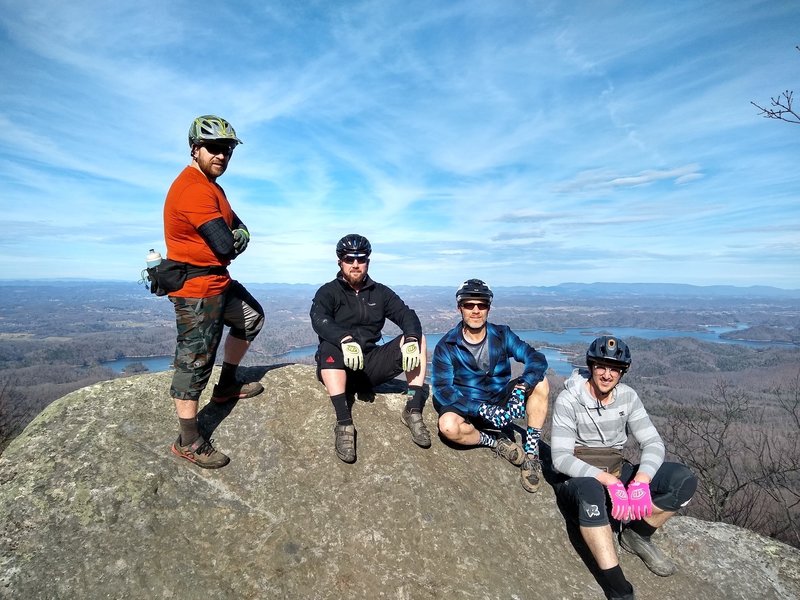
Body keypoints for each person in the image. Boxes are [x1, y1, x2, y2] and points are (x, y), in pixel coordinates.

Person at [550, 336, 698, 600]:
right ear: (591, 366)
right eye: (601, 366)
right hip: (580, 476)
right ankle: (619, 590)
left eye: (615, 368)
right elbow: (560, 458)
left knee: (682, 480)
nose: (607, 374)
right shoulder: (569, 399)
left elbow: (653, 442)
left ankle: (637, 535)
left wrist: (641, 480)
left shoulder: (628, 397)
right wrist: (608, 481)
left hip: (618, 468)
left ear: (622, 371)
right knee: (591, 493)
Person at [163, 115, 266, 469]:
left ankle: (225, 388)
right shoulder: (192, 188)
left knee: (251, 319)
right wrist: (236, 238)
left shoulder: (213, 187)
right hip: (196, 289)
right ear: (195, 149)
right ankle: (188, 440)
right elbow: (226, 244)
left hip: (218, 282)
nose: (222, 155)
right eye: (214, 148)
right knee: (195, 361)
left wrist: (237, 236)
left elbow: (241, 228)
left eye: (227, 150)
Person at [310, 234, 430, 463]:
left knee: (418, 340)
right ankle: (344, 423)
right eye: (349, 259)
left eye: (361, 259)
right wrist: (344, 339)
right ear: (340, 262)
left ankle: (413, 408)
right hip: (339, 367)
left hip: (370, 366)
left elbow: (406, 315)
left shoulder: (380, 293)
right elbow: (319, 319)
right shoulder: (328, 292)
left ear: (367, 262)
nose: (355, 264)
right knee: (328, 345)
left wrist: (412, 339)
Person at [431, 279, 550, 493]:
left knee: (540, 382)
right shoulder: (447, 346)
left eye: (482, 305)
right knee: (448, 425)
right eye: (469, 305)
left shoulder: (502, 335)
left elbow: (535, 358)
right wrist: (480, 409)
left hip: (499, 397)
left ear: (488, 308)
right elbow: (442, 390)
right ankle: (495, 441)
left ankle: (530, 454)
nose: (476, 310)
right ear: (460, 308)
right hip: (469, 406)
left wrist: (522, 387)